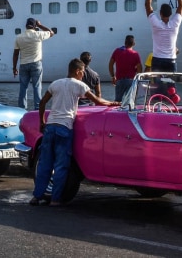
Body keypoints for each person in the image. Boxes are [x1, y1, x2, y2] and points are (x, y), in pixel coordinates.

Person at [30, 58, 118, 206]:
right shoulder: (79, 85)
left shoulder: (55, 83)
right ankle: (56, 199)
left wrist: (41, 122)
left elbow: (43, 103)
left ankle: (36, 196)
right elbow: (98, 101)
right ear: (77, 71)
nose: (83, 75)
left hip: (50, 127)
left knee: (45, 164)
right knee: (61, 166)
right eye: (82, 72)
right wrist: (115, 103)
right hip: (64, 128)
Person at [12, 18, 55, 109]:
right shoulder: (38, 34)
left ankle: (21, 109)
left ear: (26, 26)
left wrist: (14, 68)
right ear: (34, 26)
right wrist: (40, 25)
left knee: (23, 88)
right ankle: (37, 109)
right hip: (36, 64)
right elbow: (51, 32)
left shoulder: (19, 37)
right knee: (37, 87)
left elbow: (16, 54)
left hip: (23, 64)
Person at [144, 0, 182, 72]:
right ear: (171, 14)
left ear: (160, 13)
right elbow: (181, 5)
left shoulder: (156, 24)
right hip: (171, 60)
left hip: (157, 60)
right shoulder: (175, 23)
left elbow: (147, 5)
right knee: (171, 86)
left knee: (157, 85)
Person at [108, 35, 143, 101]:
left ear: (125, 42)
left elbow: (110, 64)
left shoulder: (117, 51)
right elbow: (139, 68)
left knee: (117, 102)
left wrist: (113, 76)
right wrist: (138, 79)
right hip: (131, 81)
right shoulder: (135, 54)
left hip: (119, 80)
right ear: (134, 44)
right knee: (130, 102)